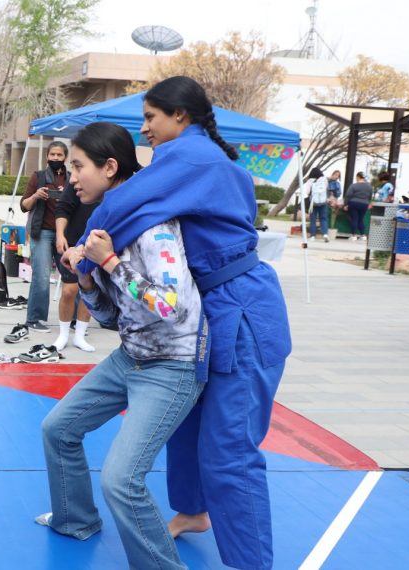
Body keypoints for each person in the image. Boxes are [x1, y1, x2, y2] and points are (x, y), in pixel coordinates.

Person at [65, 76, 291, 570]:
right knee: (188, 426)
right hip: (215, 305)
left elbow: (122, 203)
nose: (144, 129)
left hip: (242, 309)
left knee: (230, 449)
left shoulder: (191, 157)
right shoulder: (190, 156)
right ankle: (193, 512)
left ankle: (253, 564)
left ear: (180, 116)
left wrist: (90, 260)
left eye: (151, 117)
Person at [40, 122, 205, 570]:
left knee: (121, 480)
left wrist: (109, 261)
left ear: (110, 167)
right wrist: (88, 278)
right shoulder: (106, 222)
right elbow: (113, 318)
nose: (70, 177)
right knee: (58, 429)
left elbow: (171, 307)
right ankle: (75, 520)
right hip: (130, 356)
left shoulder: (155, 227)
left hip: (172, 365)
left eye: (78, 166)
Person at [9, 142, 68, 346]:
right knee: (41, 276)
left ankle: (72, 321)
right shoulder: (38, 176)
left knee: (72, 277)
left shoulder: (71, 178)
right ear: (47, 157)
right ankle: (34, 319)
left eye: (59, 154)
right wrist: (36, 195)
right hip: (41, 232)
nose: (55, 157)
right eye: (52, 154)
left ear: (65, 157)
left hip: (64, 235)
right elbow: (24, 206)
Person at [53, 153, 100, 352]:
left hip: (96, 245)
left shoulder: (112, 185)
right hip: (71, 243)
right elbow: (62, 209)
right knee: (69, 290)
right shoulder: (76, 182)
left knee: (88, 290)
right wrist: (60, 235)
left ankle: (80, 335)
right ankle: (63, 334)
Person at [344, 172, 374, 240]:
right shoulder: (369, 186)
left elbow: (348, 195)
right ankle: (362, 235)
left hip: (354, 203)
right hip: (364, 204)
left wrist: (346, 204)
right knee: (361, 219)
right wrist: (368, 202)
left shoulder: (353, 186)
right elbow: (370, 196)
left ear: (358, 177)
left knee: (354, 219)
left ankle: (353, 235)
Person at [305, 167, 329, 242]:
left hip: (313, 202)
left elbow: (307, 192)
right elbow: (326, 189)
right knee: (323, 219)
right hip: (323, 202)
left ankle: (312, 236)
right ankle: (325, 234)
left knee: (313, 219)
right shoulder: (324, 179)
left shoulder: (310, 181)